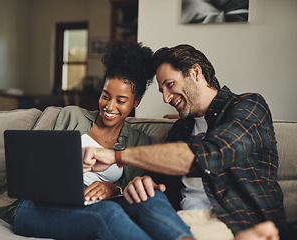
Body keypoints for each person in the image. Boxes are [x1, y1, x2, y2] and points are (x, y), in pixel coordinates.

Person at [82, 44, 289, 240]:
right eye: (162, 90)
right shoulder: (182, 127)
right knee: (127, 205)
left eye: (169, 85)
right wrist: (141, 181)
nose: (166, 98)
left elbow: (210, 155)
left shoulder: (249, 106)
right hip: (176, 218)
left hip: (232, 218)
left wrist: (116, 155)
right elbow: (157, 176)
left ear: (195, 72)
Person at [4, 41, 195, 240]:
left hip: (98, 204)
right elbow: (37, 165)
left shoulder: (139, 141)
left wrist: (113, 189)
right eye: (105, 96)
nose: (109, 106)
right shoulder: (71, 116)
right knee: (107, 213)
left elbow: (133, 189)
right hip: (37, 206)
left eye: (121, 100)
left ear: (135, 102)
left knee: (150, 197)